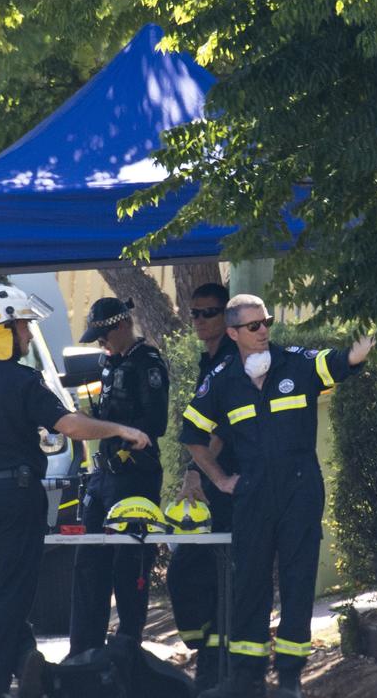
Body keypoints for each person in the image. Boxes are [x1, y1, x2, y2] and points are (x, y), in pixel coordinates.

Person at [0, 286, 152, 698]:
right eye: (22, 326)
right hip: (16, 496)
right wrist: (120, 429)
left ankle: (23, 658)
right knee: (16, 592)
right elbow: (70, 426)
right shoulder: (23, 380)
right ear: (1, 330)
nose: (26, 335)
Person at [181, 294, 377, 698]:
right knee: (249, 584)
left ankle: (289, 677)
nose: (264, 330)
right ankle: (246, 678)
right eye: (253, 326)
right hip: (251, 495)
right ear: (233, 333)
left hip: (300, 490)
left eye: (266, 321)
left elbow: (347, 358)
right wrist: (217, 479)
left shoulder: (297, 363)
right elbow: (193, 436)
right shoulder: (222, 379)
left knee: (298, 581)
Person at [68, 297, 170, 655]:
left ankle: (127, 650)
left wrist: (117, 430)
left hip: (135, 477)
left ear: (122, 326)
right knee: (89, 563)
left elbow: (156, 423)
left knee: (130, 568)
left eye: (103, 335)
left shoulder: (148, 363)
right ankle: (83, 651)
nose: (100, 343)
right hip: (105, 475)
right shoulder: (108, 362)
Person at [167, 282, 238, 692]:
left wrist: (201, 472)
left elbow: (224, 427)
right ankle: (210, 664)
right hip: (213, 483)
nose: (198, 320)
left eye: (207, 313)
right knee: (195, 575)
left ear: (225, 317)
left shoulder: (231, 359)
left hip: (228, 483)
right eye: (193, 313)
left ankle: (222, 671)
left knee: (219, 577)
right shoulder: (207, 360)